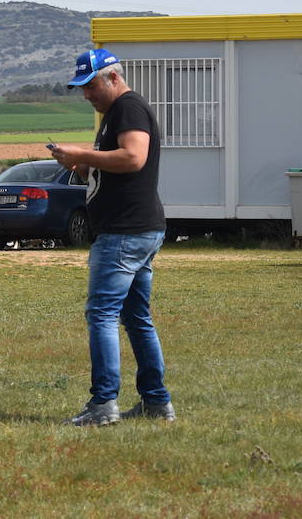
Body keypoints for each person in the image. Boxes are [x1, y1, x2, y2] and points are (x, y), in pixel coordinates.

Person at [51, 48, 175, 427]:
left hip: (124, 232)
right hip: (138, 229)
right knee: (136, 317)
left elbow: (134, 158)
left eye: (91, 86)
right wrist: (84, 160)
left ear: (114, 78)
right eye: (82, 89)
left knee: (102, 314)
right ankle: (156, 402)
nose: (87, 95)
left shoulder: (128, 107)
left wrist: (84, 153)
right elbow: (118, 161)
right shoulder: (114, 114)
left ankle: (103, 404)